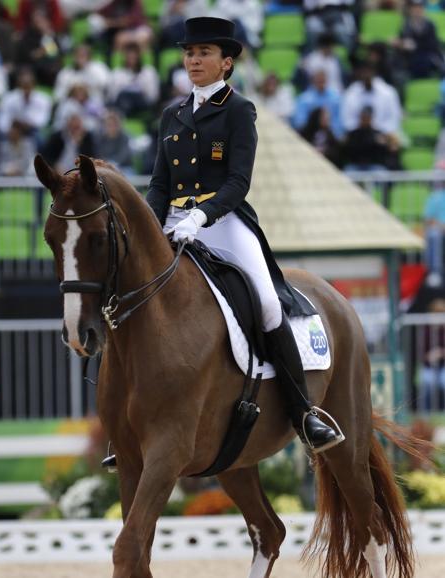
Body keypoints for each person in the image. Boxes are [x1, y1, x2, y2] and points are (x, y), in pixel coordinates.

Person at [145, 16, 344, 454]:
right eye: (190, 53)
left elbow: (238, 182)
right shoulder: (171, 115)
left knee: (269, 303)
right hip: (173, 224)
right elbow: (160, 184)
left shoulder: (238, 110)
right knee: (138, 298)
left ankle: (304, 413)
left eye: (204, 54)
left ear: (226, 63)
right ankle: (131, 422)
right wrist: (153, 224)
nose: (194, 60)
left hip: (224, 221)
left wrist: (201, 217)